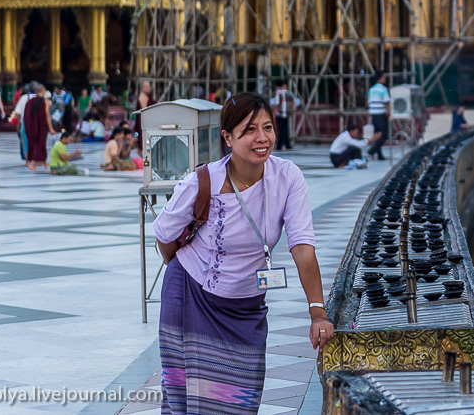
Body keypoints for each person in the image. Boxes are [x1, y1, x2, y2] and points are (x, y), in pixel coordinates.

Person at [153, 93, 334, 414]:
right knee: (187, 397)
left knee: (240, 397)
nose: (261, 138)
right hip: (190, 297)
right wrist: (185, 275)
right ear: (227, 137)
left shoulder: (287, 176)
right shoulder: (202, 182)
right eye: (249, 130)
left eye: (267, 127)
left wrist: (317, 311)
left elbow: (303, 246)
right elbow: (165, 237)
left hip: (247, 305)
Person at [24, 84, 54, 171]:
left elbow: (26, 116)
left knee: (39, 143)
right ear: (44, 91)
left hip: (32, 126)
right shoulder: (45, 102)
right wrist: (51, 128)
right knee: (39, 144)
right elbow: (47, 115)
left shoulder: (30, 101)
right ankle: (33, 163)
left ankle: (44, 162)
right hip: (41, 126)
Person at [367, 72, 391, 160]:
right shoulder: (383, 89)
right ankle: (372, 150)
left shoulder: (371, 89)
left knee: (377, 135)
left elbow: (369, 103)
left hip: (373, 114)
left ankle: (380, 155)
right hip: (380, 114)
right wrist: (390, 113)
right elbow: (387, 102)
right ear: (381, 77)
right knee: (384, 135)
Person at [270, 80, 295, 151]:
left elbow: (276, 104)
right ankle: (279, 146)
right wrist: (290, 109)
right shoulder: (288, 93)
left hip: (279, 113)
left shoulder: (278, 93)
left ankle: (287, 145)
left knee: (281, 130)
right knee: (284, 129)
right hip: (286, 113)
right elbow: (293, 102)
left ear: (276, 86)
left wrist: (273, 113)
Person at [133, 80, 156, 152]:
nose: (148, 88)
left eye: (149, 86)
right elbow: (145, 110)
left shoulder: (147, 96)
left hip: (145, 118)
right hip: (144, 119)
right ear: (143, 87)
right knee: (144, 138)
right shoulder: (142, 97)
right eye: (146, 86)